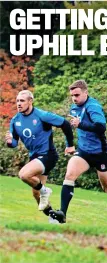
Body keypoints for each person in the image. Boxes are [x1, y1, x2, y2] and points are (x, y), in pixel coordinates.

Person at [49, 80, 107, 224]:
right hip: (84, 152)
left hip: (100, 154)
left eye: (77, 95)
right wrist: (70, 145)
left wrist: (80, 124)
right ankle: (62, 213)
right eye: (72, 96)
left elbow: (101, 127)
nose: (74, 98)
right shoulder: (74, 108)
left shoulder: (93, 106)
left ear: (85, 93)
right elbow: (72, 128)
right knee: (69, 174)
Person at [5, 90, 74, 221]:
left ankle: (45, 190)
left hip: (48, 155)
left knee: (24, 174)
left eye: (22, 101)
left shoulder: (42, 115)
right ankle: (55, 220)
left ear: (30, 101)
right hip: (35, 157)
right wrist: (9, 142)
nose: (19, 104)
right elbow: (14, 143)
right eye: (17, 101)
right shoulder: (15, 121)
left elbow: (64, 123)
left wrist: (70, 145)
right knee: (36, 194)